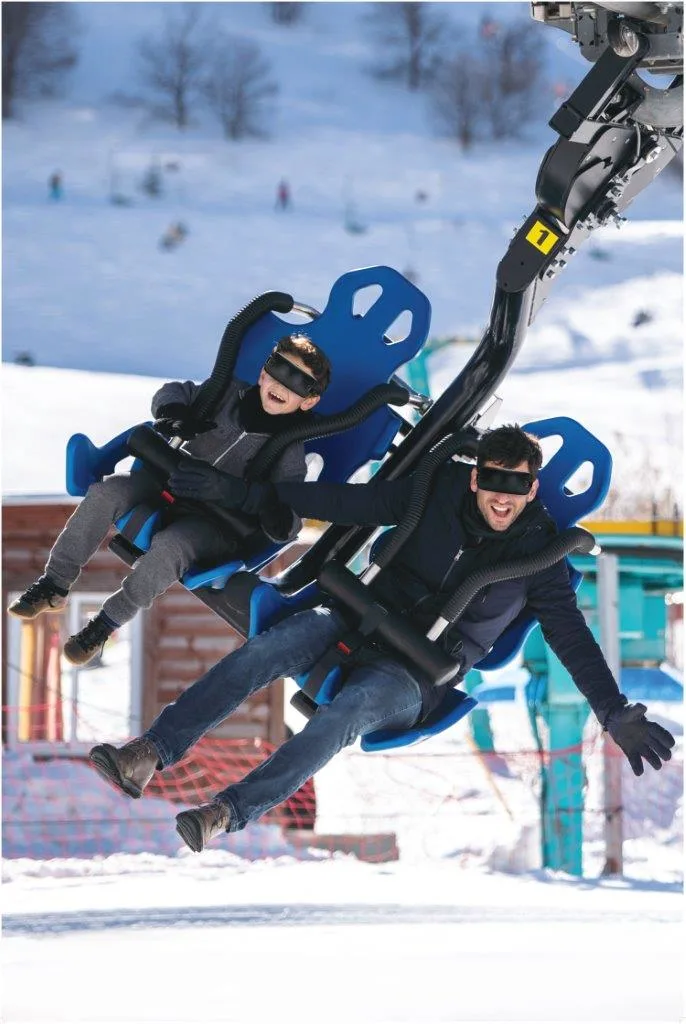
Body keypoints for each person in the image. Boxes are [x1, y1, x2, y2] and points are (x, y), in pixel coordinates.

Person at [87, 425, 675, 853]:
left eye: (517, 485)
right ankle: (149, 752)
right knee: (263, 650)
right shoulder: (438, 489)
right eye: (493, 480)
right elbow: (352, 503)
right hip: (356, 617)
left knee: (344, 714)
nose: (503, 496)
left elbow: (571, 637)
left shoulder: (541, 555)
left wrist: (612, 710)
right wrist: (244, 494)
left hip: (417, 671)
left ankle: (226, 811)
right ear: (475, 476)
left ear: (532, 488)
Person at [8, 334, 331, 666]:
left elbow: (289, 512)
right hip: (167, 480)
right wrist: (174, 413)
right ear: (263, 374)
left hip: (213, 522)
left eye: (297, 382)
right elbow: (173, 391)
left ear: (308, 401)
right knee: (107, 492)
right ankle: (54, 583)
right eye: (278, 370)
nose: (281, 384)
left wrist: (266, 509)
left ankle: (103, 625)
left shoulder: (287, 450)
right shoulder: (224, 394)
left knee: (172, 547)